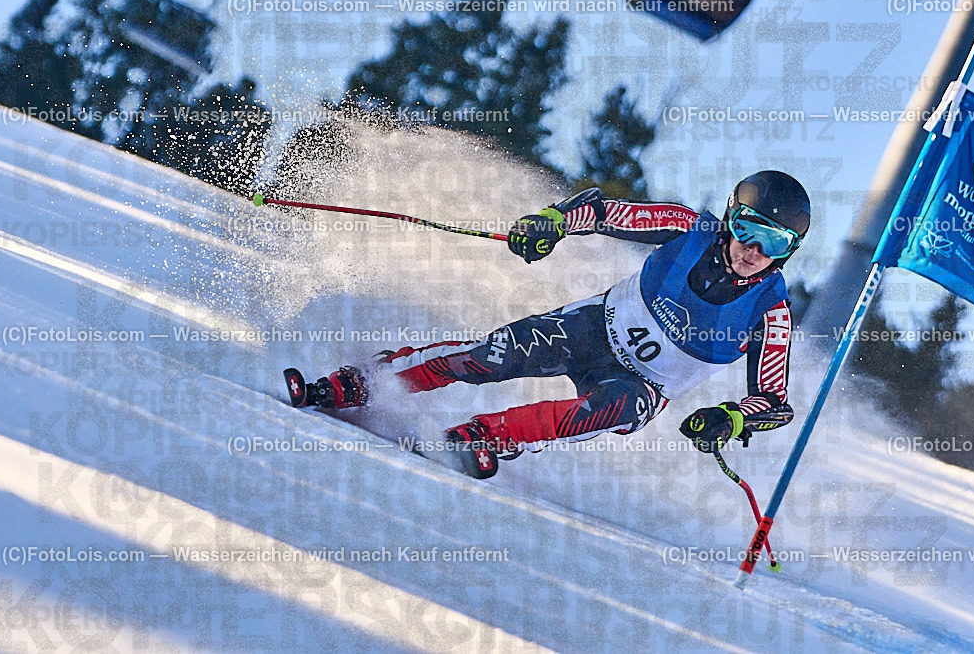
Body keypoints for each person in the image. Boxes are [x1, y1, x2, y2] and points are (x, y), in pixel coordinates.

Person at [286, 170, 809, 478]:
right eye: (747, 228)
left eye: (776, 244)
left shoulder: (772, 312)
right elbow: (606, 214)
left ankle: (483, 437)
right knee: (493, 354)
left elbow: (774, 401)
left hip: (642, 384)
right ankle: (362, 383)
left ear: (789, 252)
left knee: (609, 410)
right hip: (592, 328)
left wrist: (733, 419)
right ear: (729, 216)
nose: (754, 251)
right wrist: (553, 221)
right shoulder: (687, 226)